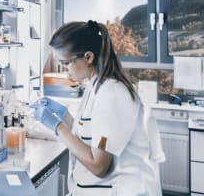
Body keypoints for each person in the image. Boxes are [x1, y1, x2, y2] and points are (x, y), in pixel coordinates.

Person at [31, 20, 163, 195]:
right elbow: (89, 136)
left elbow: (99, 165)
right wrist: (63, 115)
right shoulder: (95, 86)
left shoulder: (112, 93)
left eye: (65, 64)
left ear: (88, 57)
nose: (64, 71)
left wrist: (57, 127)